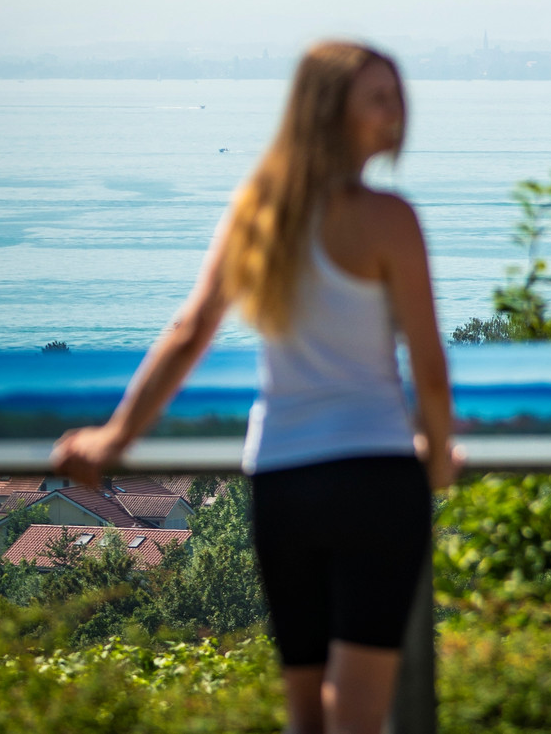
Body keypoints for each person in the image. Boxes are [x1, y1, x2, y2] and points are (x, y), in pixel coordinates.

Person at [53, 41, 457, 734]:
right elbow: (427, 363)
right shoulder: (390, 218)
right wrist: (442, 455)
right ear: (330, 111)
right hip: (376, 479)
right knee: (358, 719)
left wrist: (116, 436)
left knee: (308, 715)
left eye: (396, 94)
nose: (397, 111)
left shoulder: (257, 211)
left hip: (284, 482)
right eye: (377, 97)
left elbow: (189, 330)